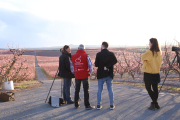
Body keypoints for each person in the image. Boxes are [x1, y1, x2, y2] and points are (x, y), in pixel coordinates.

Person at [70, 44, 95, 110]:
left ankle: (76, 104)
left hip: (77, 75)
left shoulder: (73, 56)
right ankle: (87, 105)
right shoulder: (86, 56)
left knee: (77, 90)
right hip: (85, 75)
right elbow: (90, 66)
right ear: (84, 49)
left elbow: (71, 66)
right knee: (86, 91)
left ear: (78, 48)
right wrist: (89, 73)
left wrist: (74, 72)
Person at [95, 41, 117, 110]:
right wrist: (108, 66)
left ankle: (99, 105)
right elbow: (115, 61)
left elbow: (96, 65)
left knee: (100, 90)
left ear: (102, 46)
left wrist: (103, 65)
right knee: (110, 89)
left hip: (101, 74)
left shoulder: (98, 54)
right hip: (109, 74)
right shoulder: (111, 54)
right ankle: (111, 105)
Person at [141, 38, 162, 110]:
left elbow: (142, 57)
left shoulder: (149, 52)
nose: (149, 44)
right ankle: (155, 103)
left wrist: (148, 49)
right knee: (155, 89)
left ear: (152, 44)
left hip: (148, 73)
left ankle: (154, 103)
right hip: (156, 73)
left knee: (148, 88)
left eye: (149, 43)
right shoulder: (159, 52)